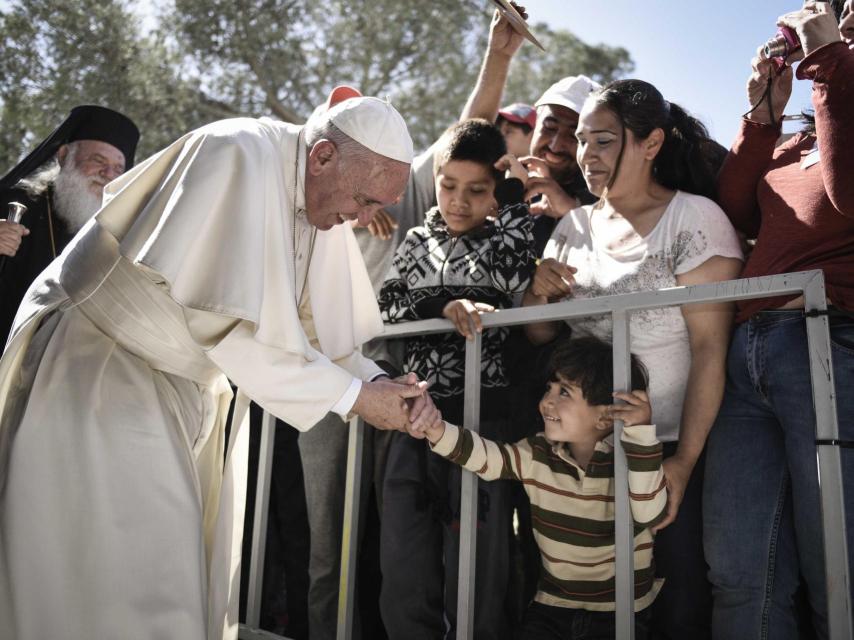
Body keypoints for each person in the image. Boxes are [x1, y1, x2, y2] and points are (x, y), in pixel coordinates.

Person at [0, 95, 435, 640]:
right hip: (101, 370)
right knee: (115, 581)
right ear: (323, 156)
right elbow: (225, 326)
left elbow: (316, 330)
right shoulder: (236, 153)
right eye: (364, 199)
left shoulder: (320, 200)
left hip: (174, 389)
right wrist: (354, 399)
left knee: (167, 571)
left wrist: (378, 382)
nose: (363, 218)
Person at [523, 79, 744, 639]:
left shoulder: (695, 220)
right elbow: (540, 333)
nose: (585, 155)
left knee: (677, 598)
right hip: (580, 457)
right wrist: (537, 292)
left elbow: (711, 351)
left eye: (602, 141)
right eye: (581, 141)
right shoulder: (570, 228)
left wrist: (683, 462)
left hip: (666, 449)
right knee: (586, 604)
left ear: (650, 144)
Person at [704, 1, 854, 637]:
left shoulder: (838, 89)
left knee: (838, 567)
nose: (841, 16)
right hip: (746, 355)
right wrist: (763, 115)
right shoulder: (806, 126)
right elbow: (734, 209)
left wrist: (829, 66)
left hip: (827, 346)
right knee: (740, 570)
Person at [377, 118, 537, 639]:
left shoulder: (505, 236)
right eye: (449, 186)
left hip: (482, 422)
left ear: (495, 191)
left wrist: (512, 192)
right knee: (404, 555)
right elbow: (389, 303)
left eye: (477, 190)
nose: (459, 201)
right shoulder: (417, 240)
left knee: (478, 561)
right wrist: (442, 304)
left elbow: (516, 278)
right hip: (415, 416)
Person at [410, 336, 667, 640]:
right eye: (550, 388)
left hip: (622, 611)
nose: (547, 401)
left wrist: (639, 434)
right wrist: (436, 429)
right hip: (553, 607)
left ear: (606, 415)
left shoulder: (631, 457)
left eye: (565, 393)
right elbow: (489, 458)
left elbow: (649, 511)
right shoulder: (538, 452)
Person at [0, 105, 139, 342]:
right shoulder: (12, 203)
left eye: (118, 168)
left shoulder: (113, 236)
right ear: (64, 156)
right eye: (98, 160)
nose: (108, 174)